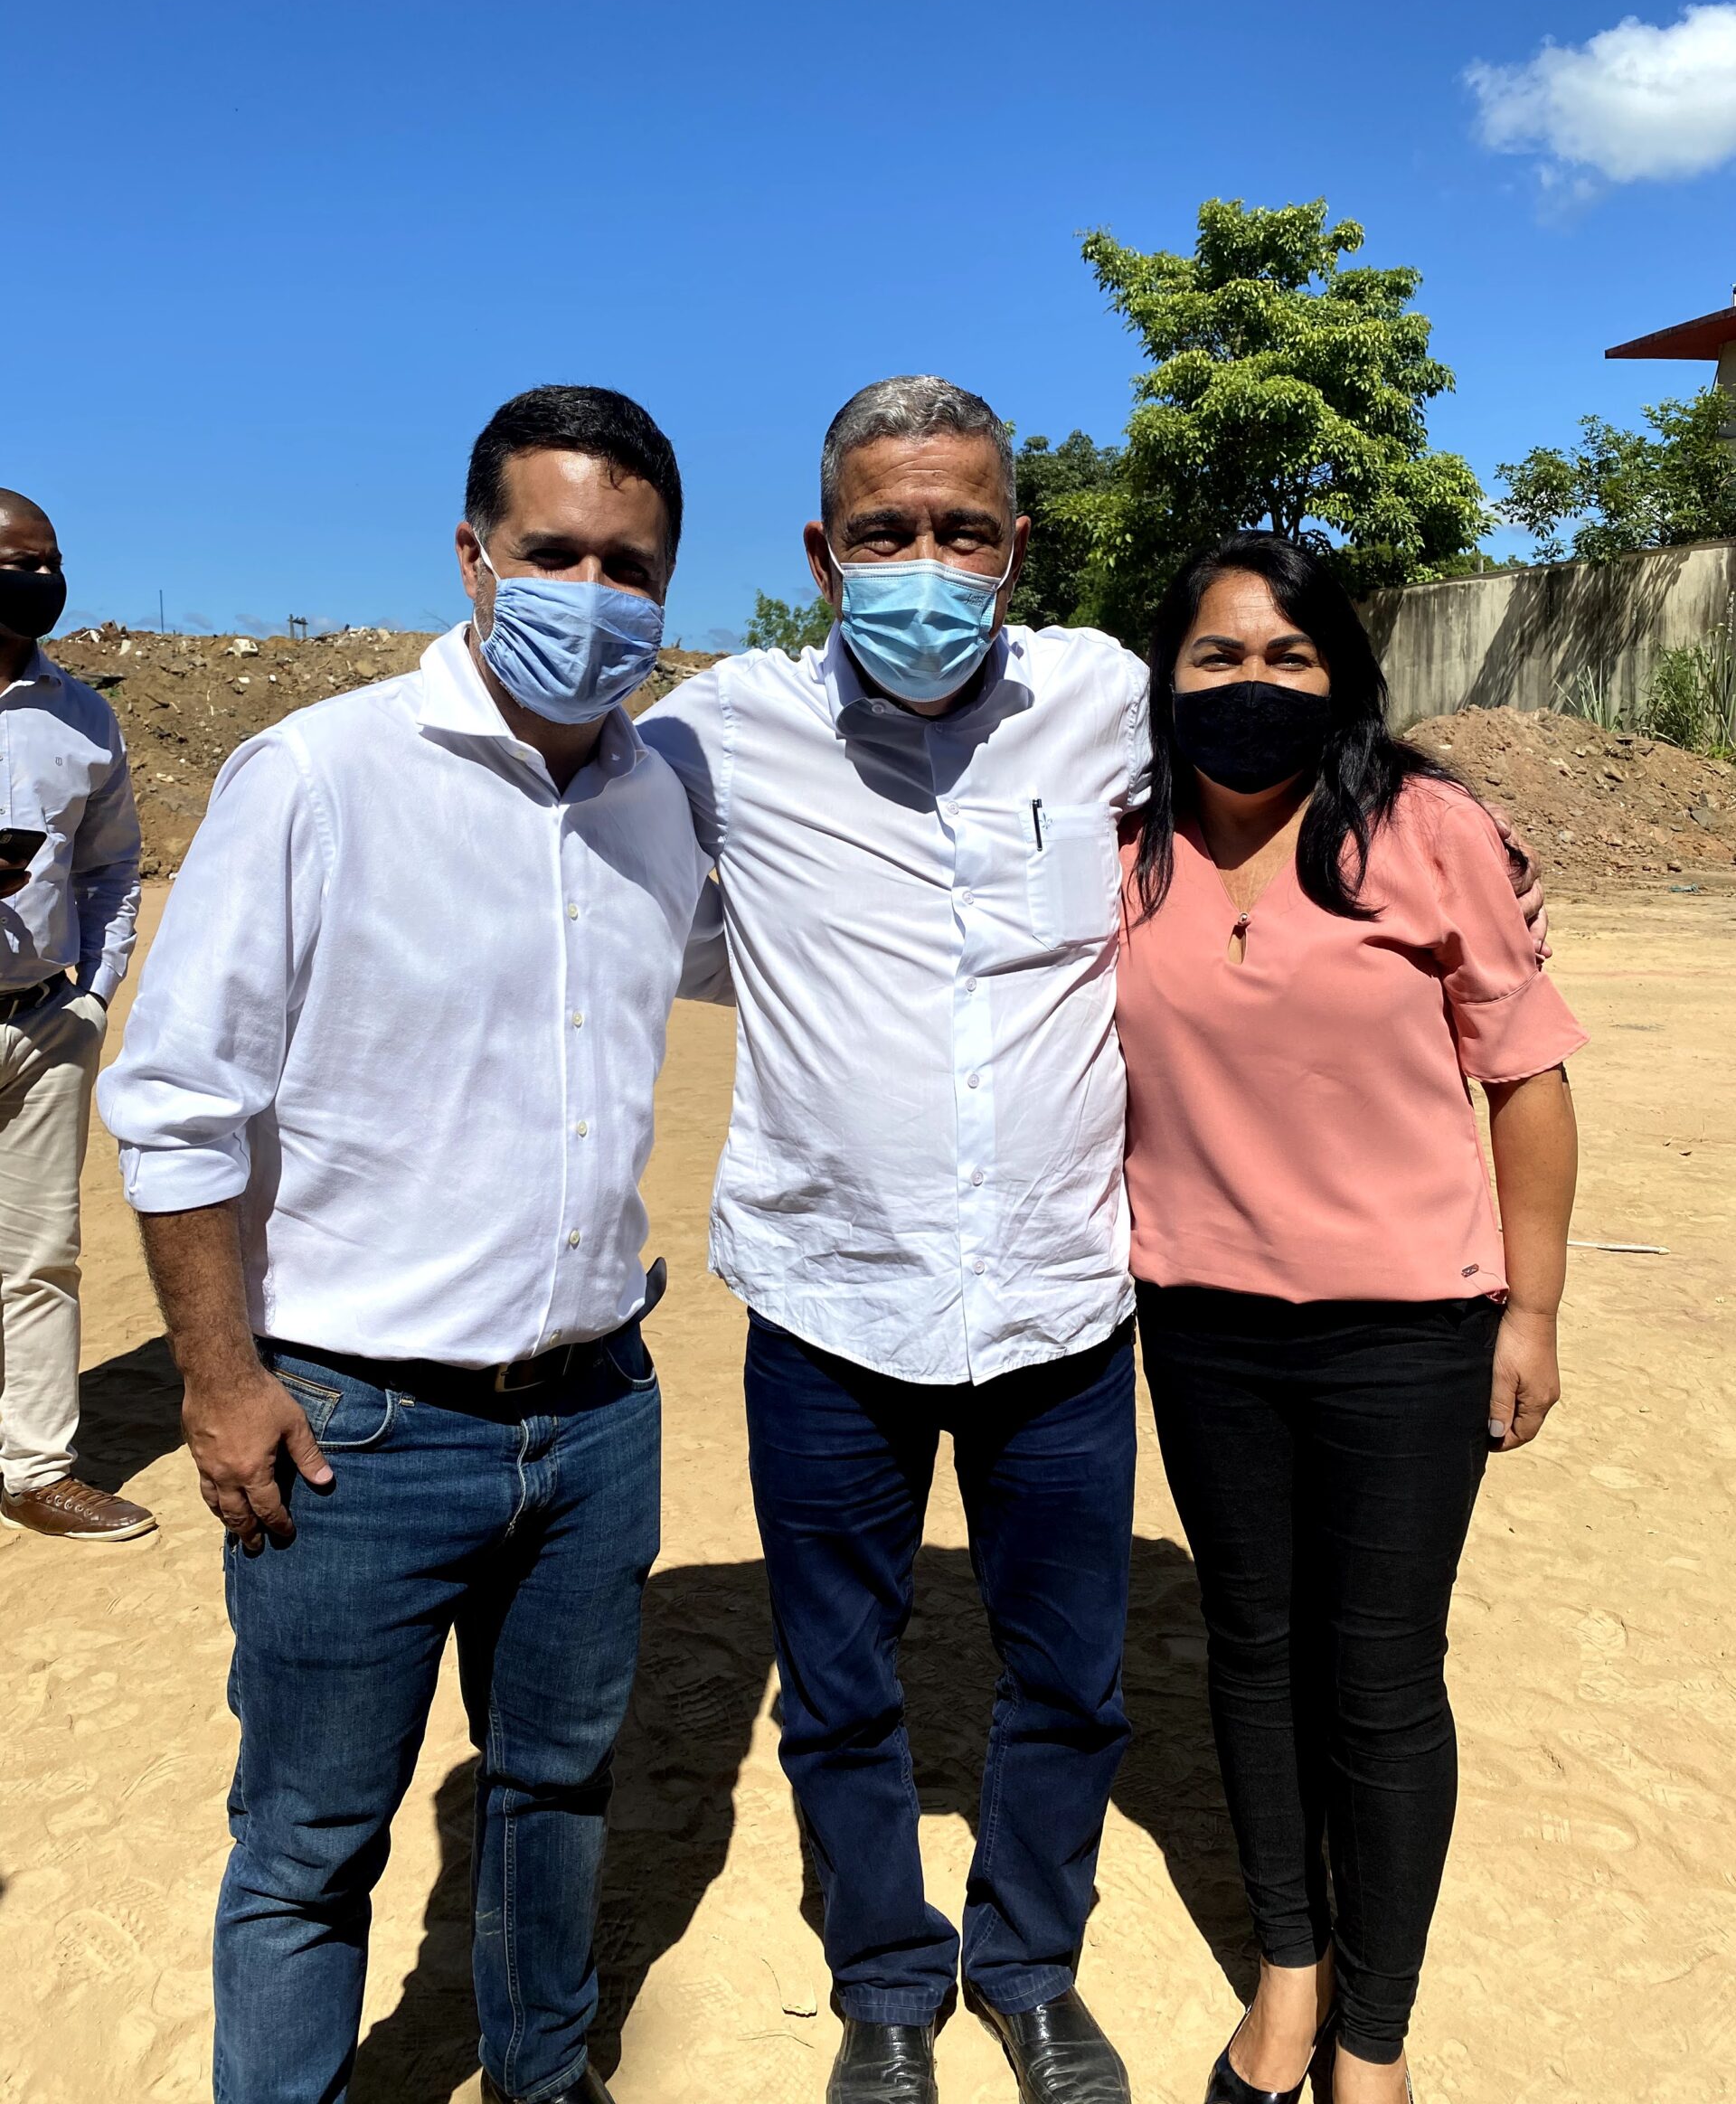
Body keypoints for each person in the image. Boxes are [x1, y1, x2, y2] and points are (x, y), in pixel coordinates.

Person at [642, 382, 1548, 2104]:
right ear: (824, 553)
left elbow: (1295, 758)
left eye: (962, 530)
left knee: (1070, 1676)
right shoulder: (721, 735)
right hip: (831, 1301)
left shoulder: (1107, 705)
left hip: (1059, 1305)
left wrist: (1472, 846)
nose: (926, 563)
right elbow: (616, 889)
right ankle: (886, 1985)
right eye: (887, 532)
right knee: (840, 1684)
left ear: (1016, 544)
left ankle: (1031, 1967)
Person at [99, 388, 716, 2104]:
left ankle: (542, 2075)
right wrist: (218, 1382)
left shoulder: (662, 800)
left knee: (557, 1793)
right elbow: (178, 1106)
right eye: (552, 552)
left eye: (630, 566)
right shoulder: (320, 776)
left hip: (595, 1417)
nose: (591, 593)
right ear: (471, 555)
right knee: (309, 1844)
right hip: (356, 1433)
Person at [1114, 533, 1584, 2104]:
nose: (1251, 684)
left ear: (1343, 675)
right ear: (1167, 676)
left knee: (1379, 1679)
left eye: (1288, 656)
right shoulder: (1125, 849)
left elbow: (1525, 1079)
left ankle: (1372, 2036)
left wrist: (1533, 1310)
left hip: (1408, 1334)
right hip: (1203, 1323)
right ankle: (1290, 1975)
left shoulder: (1428, 832)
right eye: (1217, 656)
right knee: (1253, 1652)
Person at [0, 488, 146, 1542]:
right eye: (19, 561)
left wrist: (95, 991)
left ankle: (35, 1469)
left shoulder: (83, 717)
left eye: (49, 561)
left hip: (46, 1024)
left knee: (40, 1253)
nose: (41, 579)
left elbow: (111, 868)